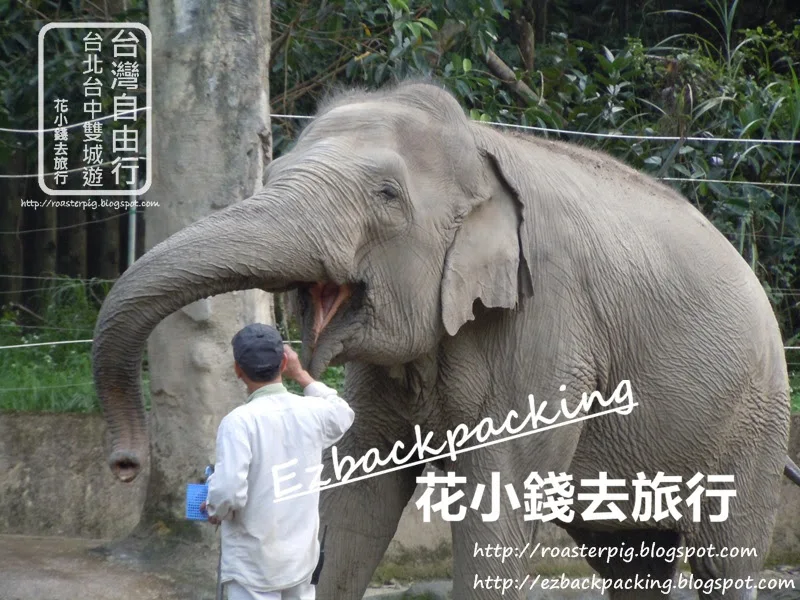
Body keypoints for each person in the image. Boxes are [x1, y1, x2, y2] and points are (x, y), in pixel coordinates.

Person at [200, 323, 355, 600]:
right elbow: (342, 413)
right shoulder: (312, 412)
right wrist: (302, 375)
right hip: (300, 560)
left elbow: (227, 492)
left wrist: (214, 507)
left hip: (254, 567)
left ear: (237, 370)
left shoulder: (238, 423)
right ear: (284, 362)